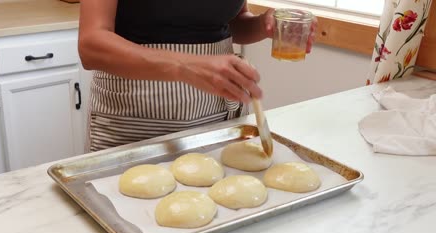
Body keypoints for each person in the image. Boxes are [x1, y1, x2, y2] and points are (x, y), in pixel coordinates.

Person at [78, 0, 315, 152]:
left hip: (219, 114)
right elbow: (91, 45)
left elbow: (230, 24)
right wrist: (186, 66)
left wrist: (263, 24)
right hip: (138, 115)